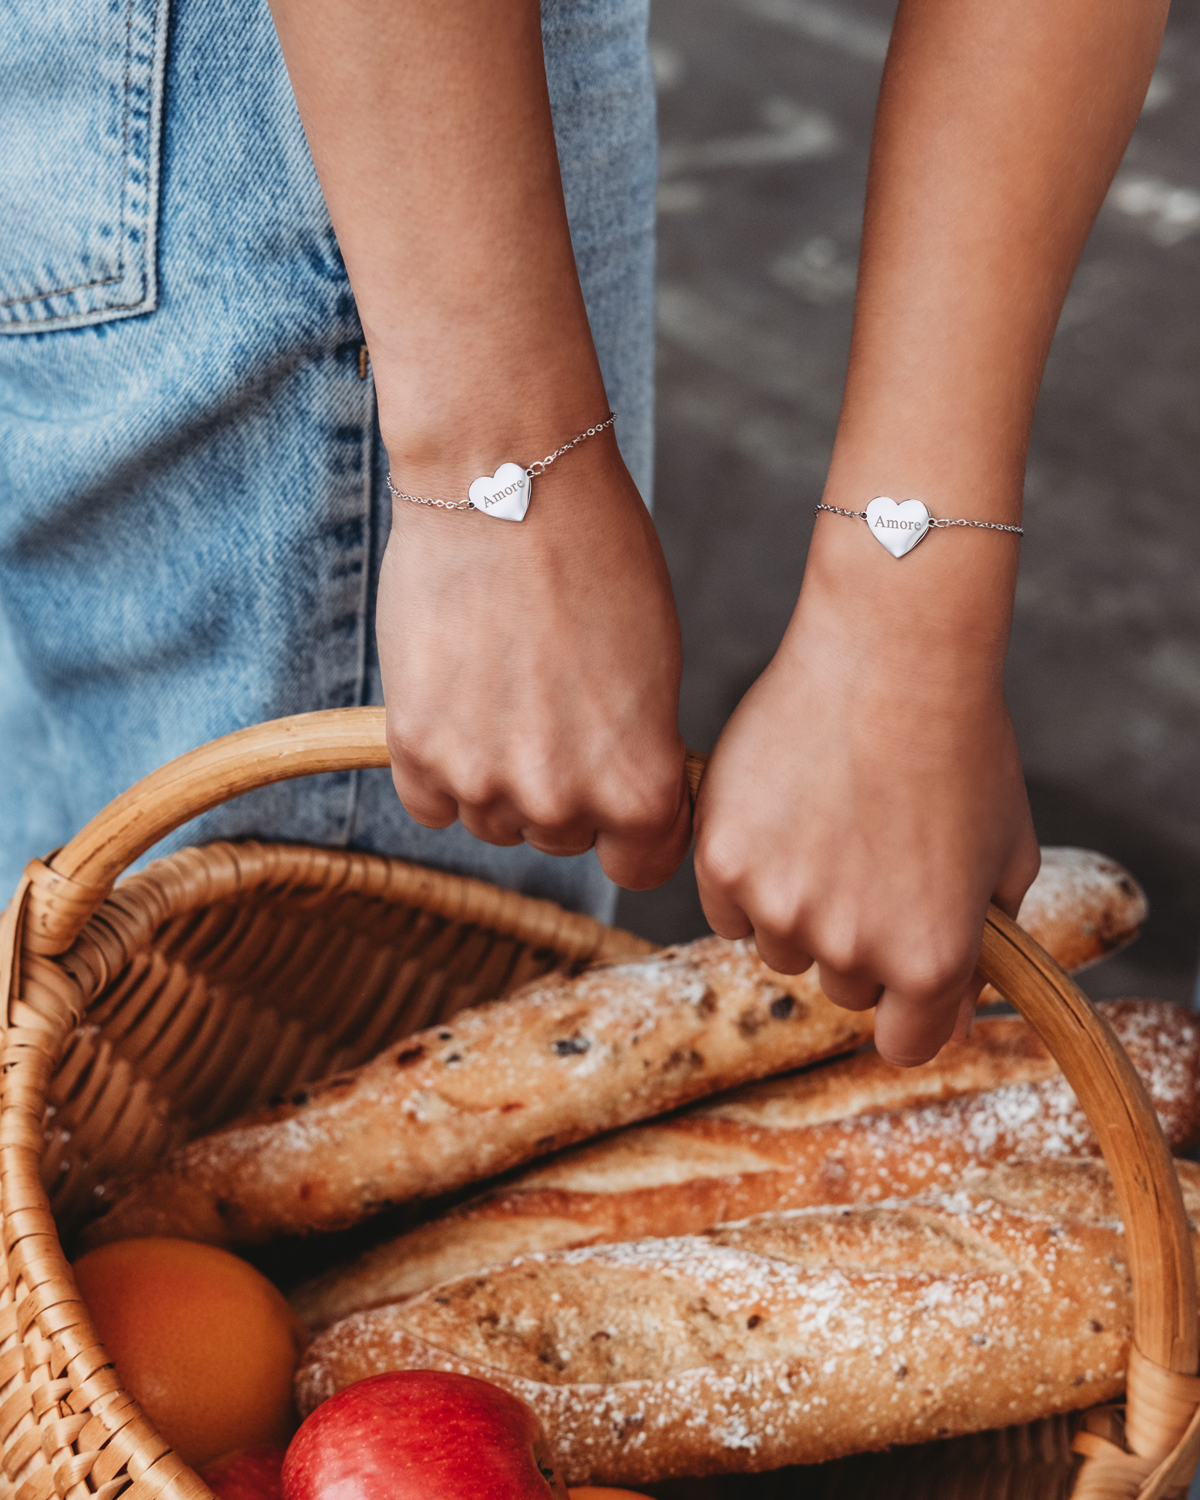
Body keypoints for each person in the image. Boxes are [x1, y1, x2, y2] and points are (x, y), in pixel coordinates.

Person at [0, 0, 1167, 1067]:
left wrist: (904, 632)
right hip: (339, 87)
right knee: (279, 1096)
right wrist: (498, 479)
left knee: (81, 991)